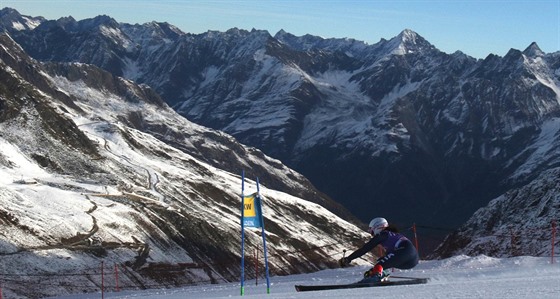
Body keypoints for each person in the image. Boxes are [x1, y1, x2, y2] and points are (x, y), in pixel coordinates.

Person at [338, 217, 419, 283]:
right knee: (379, 265)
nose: (371, 233)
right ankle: (381, 275)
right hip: (412, 258)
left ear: (377, 227)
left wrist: (348, 259)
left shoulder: (382, 234)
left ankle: (376, 278)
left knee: (379, 265)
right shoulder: (391, 235)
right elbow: (390, 259)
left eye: (371, 230)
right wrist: (373, 271)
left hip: (405, 251)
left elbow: (365, 249)